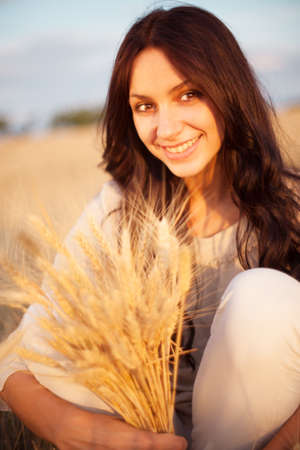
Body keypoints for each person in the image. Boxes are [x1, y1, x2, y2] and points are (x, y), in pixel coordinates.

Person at [1, 5, 300, 450]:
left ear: (229, 91)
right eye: (145, 106)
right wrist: (73, 430)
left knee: (265, 299)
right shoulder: (121, 208)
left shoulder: (291, 209)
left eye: (188, 95)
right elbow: (21, 357)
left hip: (254, 436)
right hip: (144, 432)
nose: (165, 127)